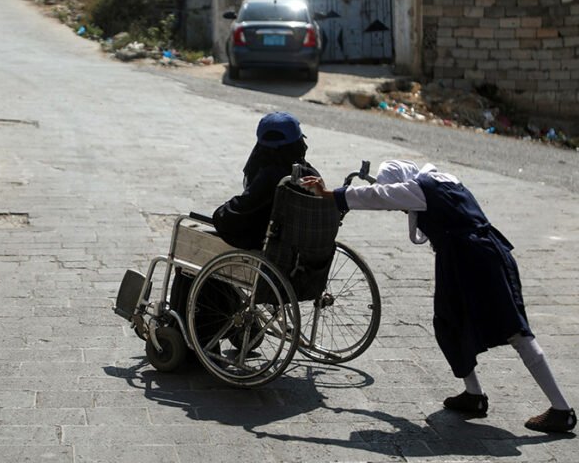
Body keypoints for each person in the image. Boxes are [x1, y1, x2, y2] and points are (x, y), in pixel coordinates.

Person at [301, 160, 576, 433]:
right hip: (469, 258)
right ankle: (474, 395)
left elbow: (377, 195)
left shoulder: (419, 188)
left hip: (476, 260)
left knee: (516, 331)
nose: (401, 209)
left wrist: (329, 194)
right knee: (448, 322)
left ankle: (561, 409)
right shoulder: (443, 179)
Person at [213, 111, 321, 250]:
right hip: (304, 243)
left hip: (274, 242)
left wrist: (221, 213)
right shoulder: (307, 172)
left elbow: (242, 208)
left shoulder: (273, 176)